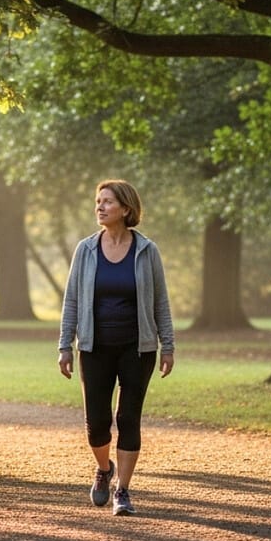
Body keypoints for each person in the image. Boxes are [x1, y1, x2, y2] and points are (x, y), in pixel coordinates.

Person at [58, 179, 175, 516]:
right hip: (94, 347)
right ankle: (104, 469)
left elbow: (160, 303)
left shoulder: (146, 251)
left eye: (107, 201)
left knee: (128, 417)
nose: (100, 207)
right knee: (96, 422)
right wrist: (65, 345)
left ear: (126, 209)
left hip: (138, 349)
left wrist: (167, 344)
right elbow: (73, 301)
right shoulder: (86, 250)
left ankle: (122, 490)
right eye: (98, 201)